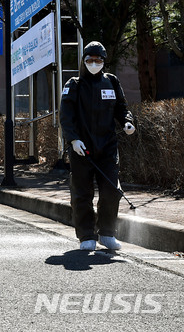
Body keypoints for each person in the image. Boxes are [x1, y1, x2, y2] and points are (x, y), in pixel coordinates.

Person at [60, 41, 135, 251]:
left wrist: (127, 122)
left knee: (112, 189)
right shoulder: (74, 84)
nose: (94, 64)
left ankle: (107, 233)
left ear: (104, 61)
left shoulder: (111, 82)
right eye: (90, 60)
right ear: (84, 61)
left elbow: (122, 108)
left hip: (108, 146)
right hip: (82, 148)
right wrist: (73, 139)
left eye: (98, 60)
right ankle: (86, 235)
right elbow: (66, 116)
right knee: (82, 192)